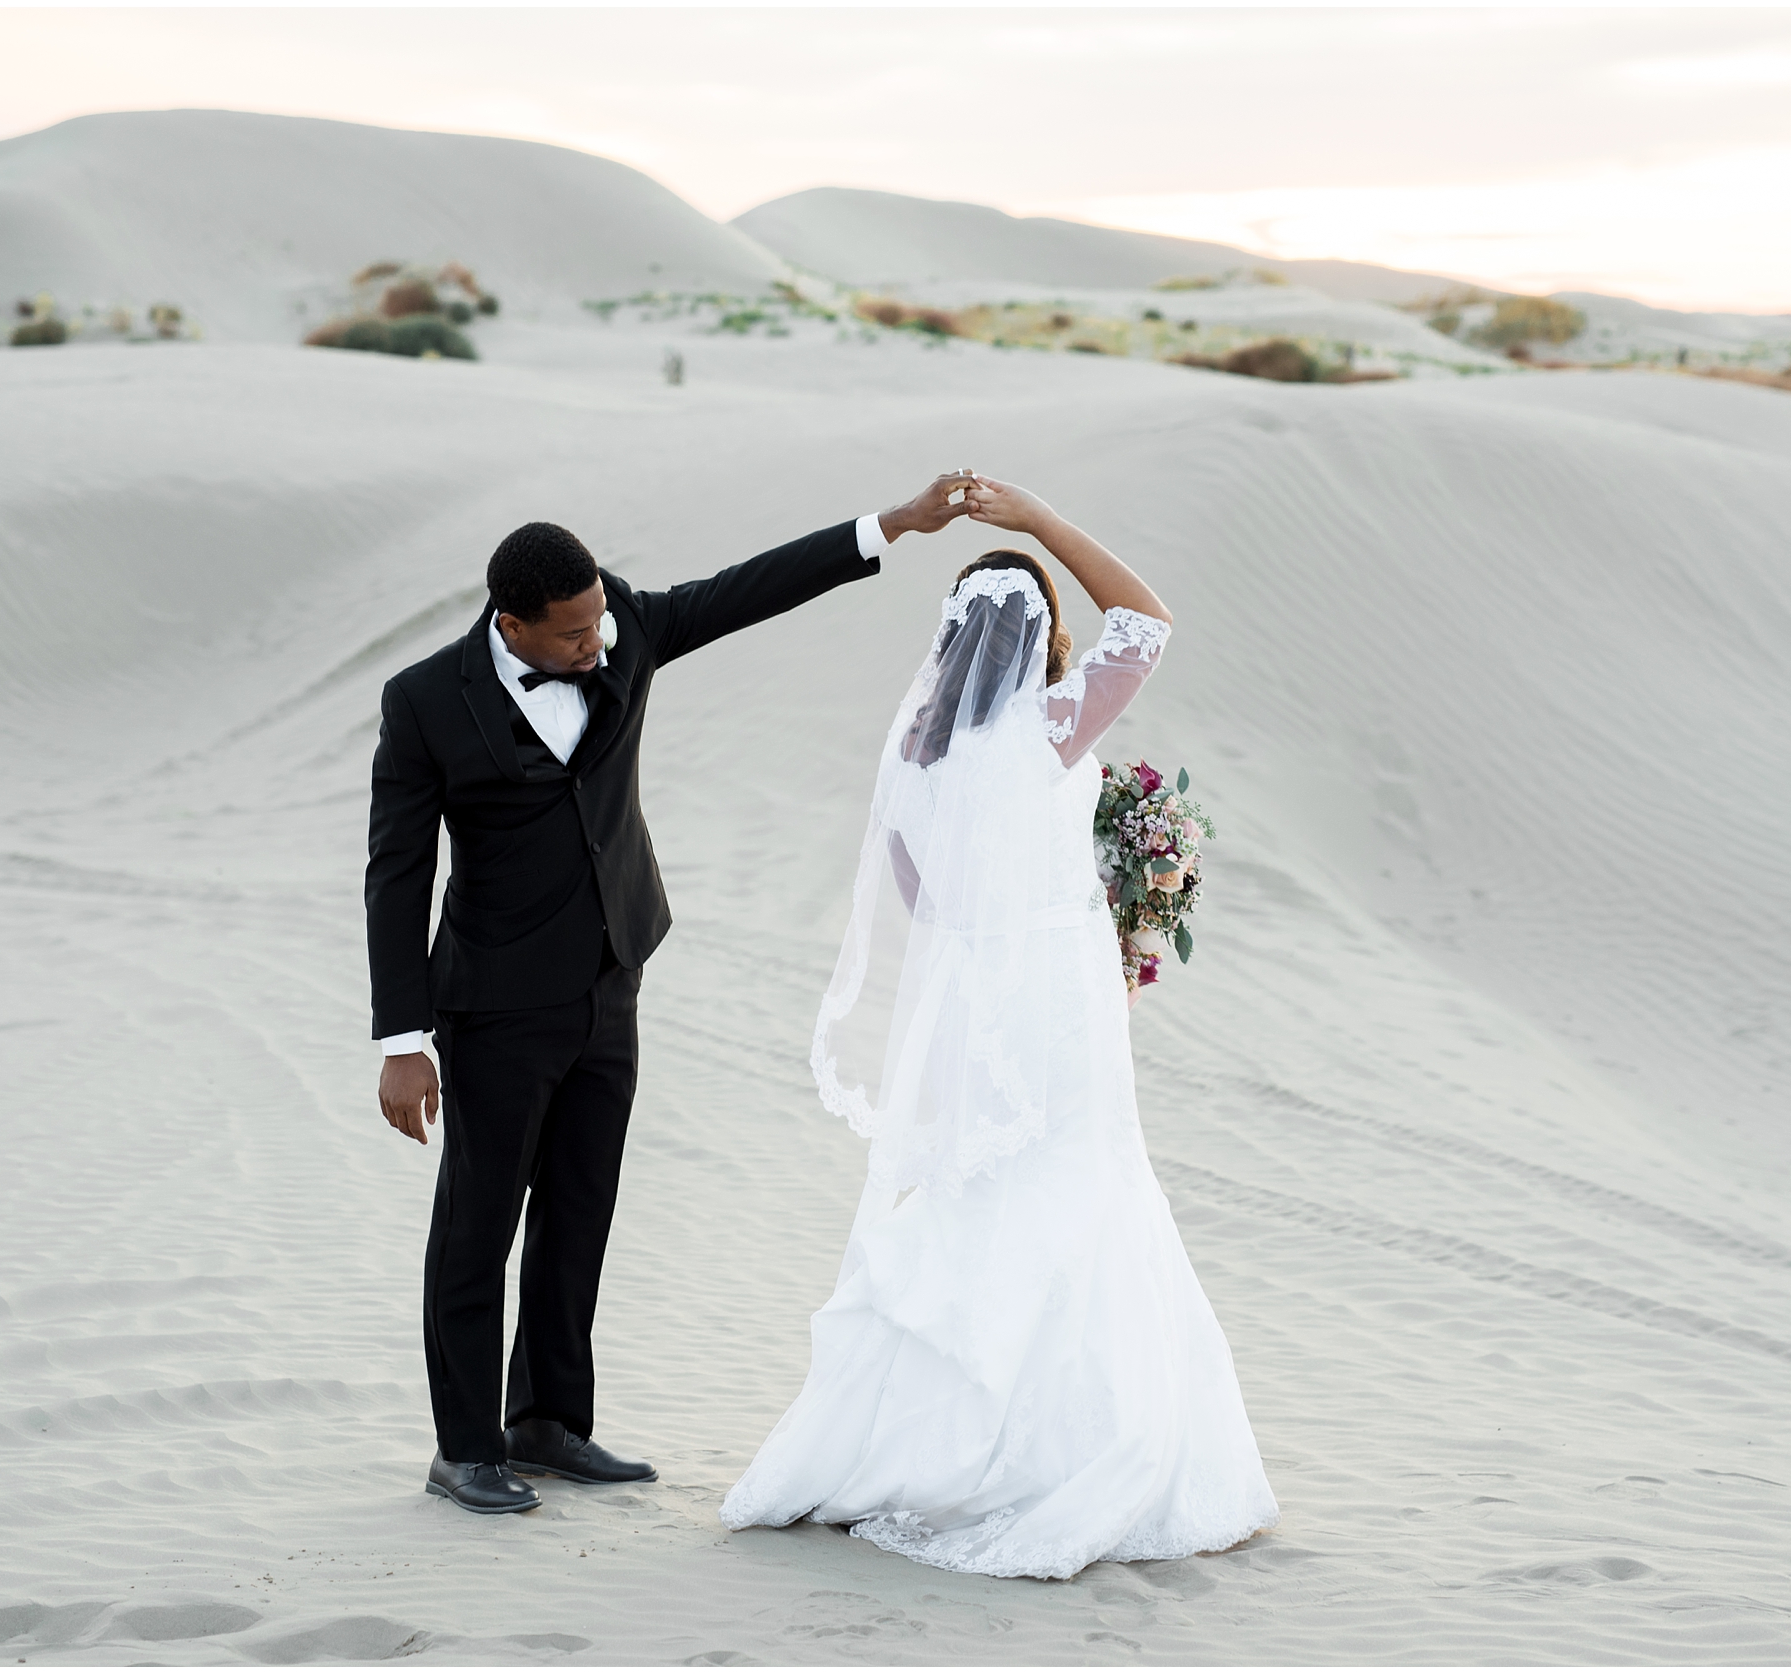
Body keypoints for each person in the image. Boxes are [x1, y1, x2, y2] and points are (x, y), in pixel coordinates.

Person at [368, 475, 977, 1515]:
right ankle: (465, 1447)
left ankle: (549, 1423)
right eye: (569, 636)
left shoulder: (624, 627)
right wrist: (400, 1036)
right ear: (508, 624)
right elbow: (396, 869)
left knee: (580, 1211)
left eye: (600, 619)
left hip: (612, 979)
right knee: (478, 1227)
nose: (595, 646)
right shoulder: (423, 701)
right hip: (495, 1003)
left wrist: (890, 526)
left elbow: (746, 590)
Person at [720, 474, 1278, 1579]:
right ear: (1040, 639)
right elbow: (1150, 622)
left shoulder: (915, 768)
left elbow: (925, 910)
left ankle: (918, 1442)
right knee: (1079, 1190)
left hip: (972, 1005)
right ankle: (1052, 1455)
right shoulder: (1050, 731)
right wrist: (1039, 523)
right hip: (1059, 1000)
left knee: (982, 1195)